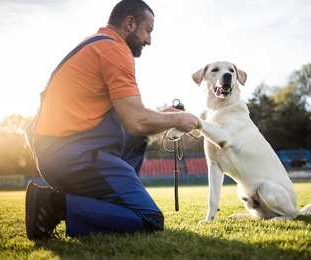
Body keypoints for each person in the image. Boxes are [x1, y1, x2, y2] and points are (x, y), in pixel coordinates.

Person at [25, 0, 202, 240]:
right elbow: (135, 121)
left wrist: (163, 115)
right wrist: (179, 119)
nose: (149, 40)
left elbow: (131, 116)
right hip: (71, 155)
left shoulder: (96, 44)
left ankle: (108, 200)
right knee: (150, 220)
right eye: (148, 31)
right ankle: (53, 203)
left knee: (139, 137)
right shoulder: (115, 50)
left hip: (58, 151)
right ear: (130, 23)